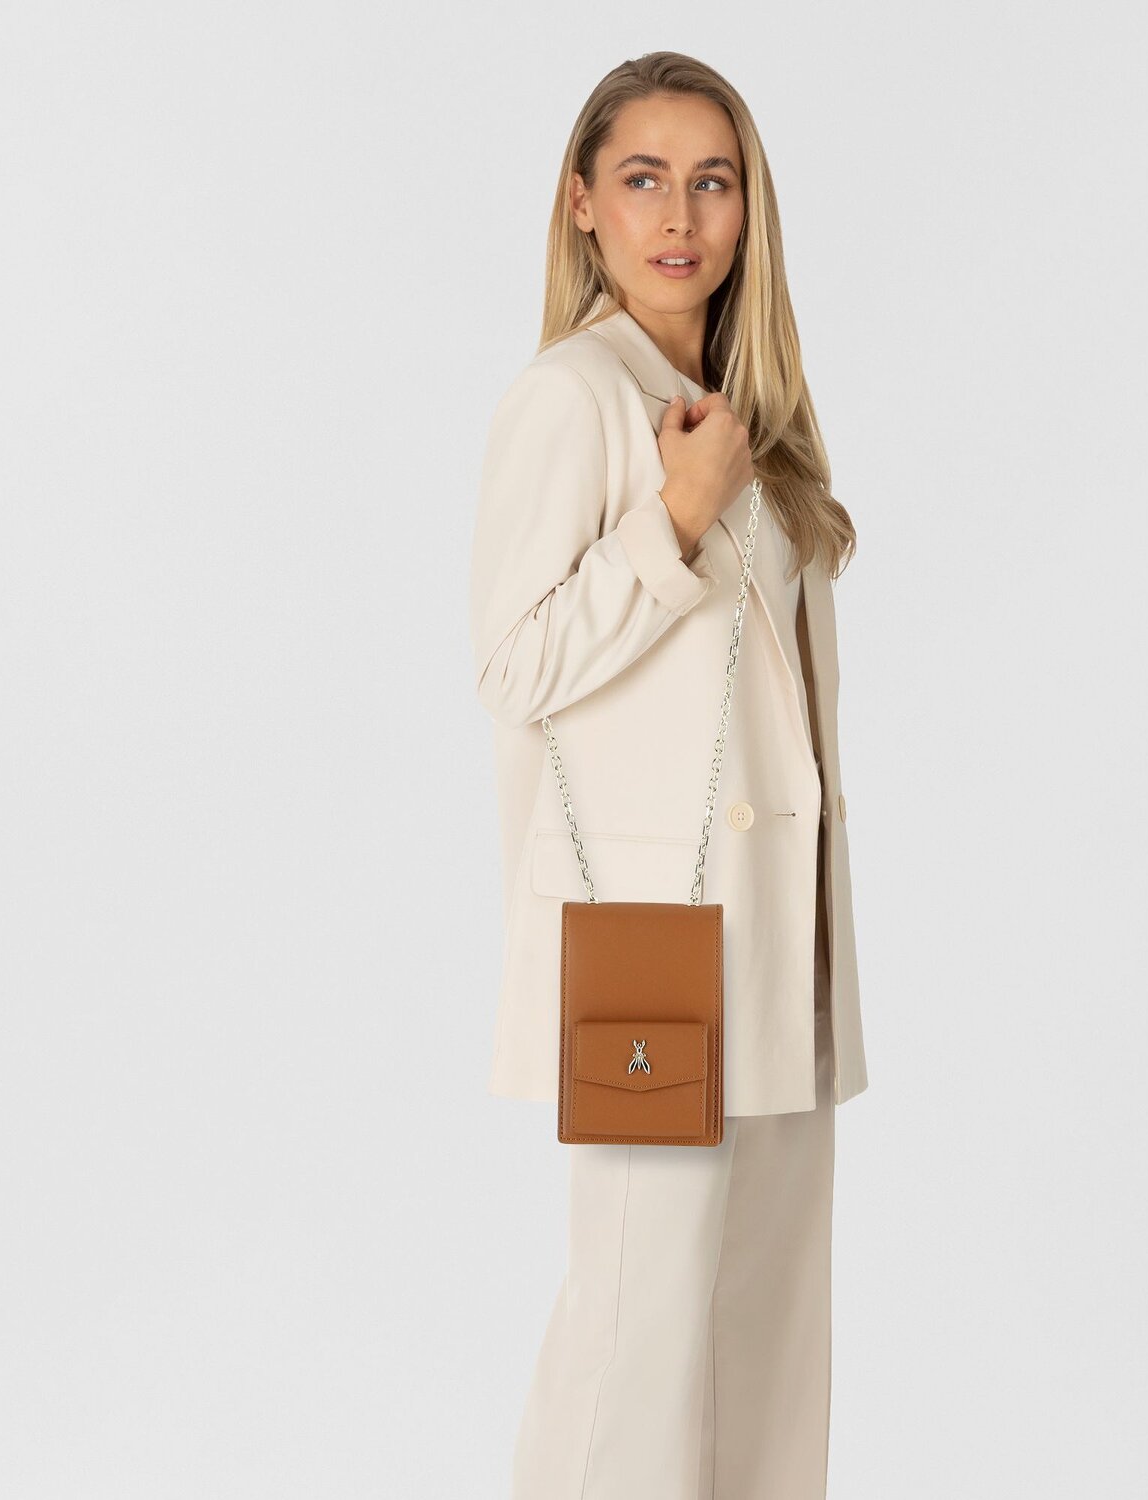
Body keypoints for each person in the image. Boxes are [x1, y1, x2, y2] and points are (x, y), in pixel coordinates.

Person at [468, 49, 870, 1500]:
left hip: (775, 939)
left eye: (713, 180)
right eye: (643, 178)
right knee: (634, 1339)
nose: (680, 215)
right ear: (582, 203)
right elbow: (512, 666)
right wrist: (672, 526)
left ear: (749, 209)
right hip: (649, 950)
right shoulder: (574, 397)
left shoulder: (747, 414)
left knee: (766, 1335)